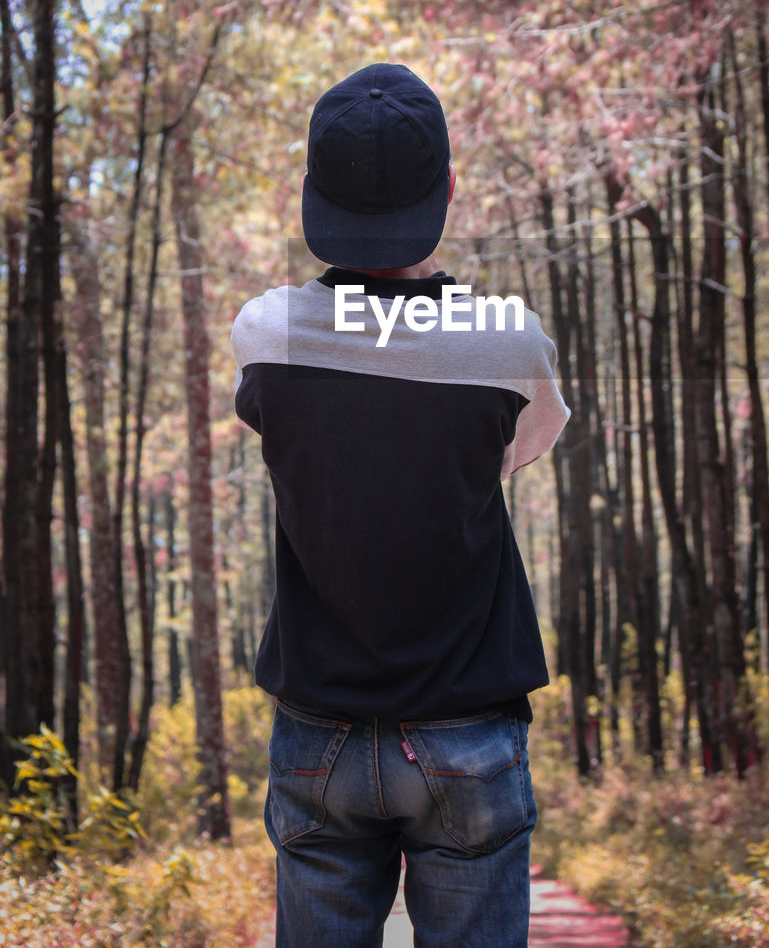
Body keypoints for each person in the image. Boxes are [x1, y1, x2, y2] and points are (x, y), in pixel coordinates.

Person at [231, 62, 569, 948]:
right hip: (468, 732)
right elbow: (513, 457)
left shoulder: (267, 334)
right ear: (447, 188)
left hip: (318, 733)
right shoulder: (507, 342)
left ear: (313, 193)